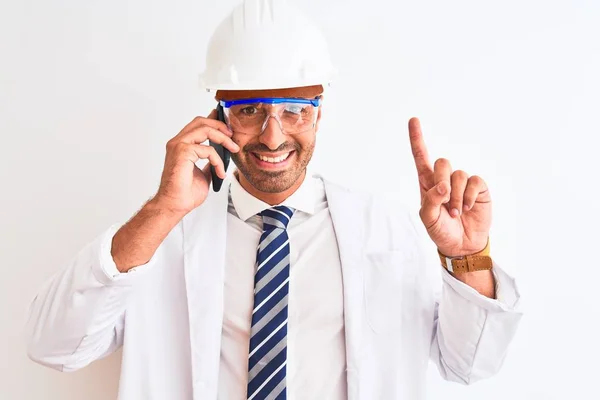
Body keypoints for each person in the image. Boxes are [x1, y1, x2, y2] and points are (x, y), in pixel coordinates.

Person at [24, 0, 522, 399]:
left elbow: (470, 365)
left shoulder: (384, 230)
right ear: (216, 115)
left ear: (319, 114)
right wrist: (163, 209)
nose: (272, 135)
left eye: (294, 110)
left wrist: (465, 257)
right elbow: (55, 346)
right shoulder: (162, 237)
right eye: (249, 110)